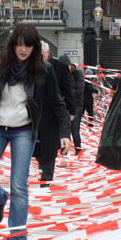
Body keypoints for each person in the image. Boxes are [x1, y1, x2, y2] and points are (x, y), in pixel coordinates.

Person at [0, 24, 74, 240]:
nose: (23, 49)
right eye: (19, 44)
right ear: (13, 44)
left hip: (24, 130)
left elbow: (58, 103)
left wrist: (65, 134)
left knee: (19, 185)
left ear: (35, 47)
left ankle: (16, 237)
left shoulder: (43, 69)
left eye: (28, 45)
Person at [30, 43, 75, 188]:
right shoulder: (29, 67)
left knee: (50, 147)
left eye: (43, 55)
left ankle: (47, 177)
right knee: (37, 148)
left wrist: (71, 111)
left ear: (48, 54)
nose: (40, 58)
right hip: (33, 113)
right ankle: (43, 164)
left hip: (52, 112)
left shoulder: (59, 67)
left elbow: (67, 89)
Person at [65, 57, 89, 154]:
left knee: (75, 129)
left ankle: (77, 148)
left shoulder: (78, 74)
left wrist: (67, 93)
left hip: (77, 105)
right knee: (65, 128)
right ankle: (64, 148)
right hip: (66, 104)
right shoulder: (64, 73)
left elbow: (80, 91)